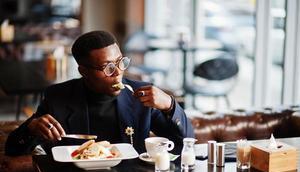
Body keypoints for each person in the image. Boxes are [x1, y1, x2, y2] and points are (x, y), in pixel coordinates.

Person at [5, 30, 194, 156]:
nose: (118, 71)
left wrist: (170, 105)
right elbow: (13, 150)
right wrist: (31, 127)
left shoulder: (141, 96)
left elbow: (185, 143)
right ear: (83, 71)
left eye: (120, 62)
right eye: (108, 67)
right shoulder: (58, 97)